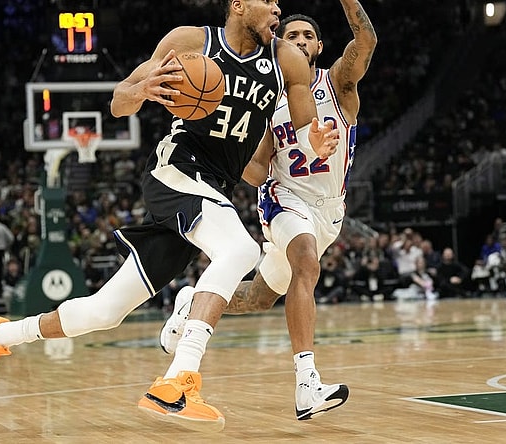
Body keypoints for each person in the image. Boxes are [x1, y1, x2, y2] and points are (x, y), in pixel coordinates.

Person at [0, 0, 339, 433]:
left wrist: (315, 140)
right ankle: (178, 381)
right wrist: (142, 90)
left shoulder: (285, 59)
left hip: (215, 189)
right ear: (238, 5)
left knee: (104, 311)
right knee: (240, 249)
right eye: (266, 0)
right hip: (178, 169)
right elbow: (119, 101)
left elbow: (305, 122)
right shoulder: (193, 42)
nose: (276, 8)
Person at [160, 0, 377, 421]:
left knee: (259, 298)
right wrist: (217, 143)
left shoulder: (339, 84)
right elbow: (258, 171)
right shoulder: (269, 101)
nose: (297, 41)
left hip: (328, 211)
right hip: (283, 201)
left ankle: (188, 304)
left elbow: (365, 39)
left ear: (318, 46)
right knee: (306, 265)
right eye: (290, 35)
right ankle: (306, 384)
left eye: (306, 36)